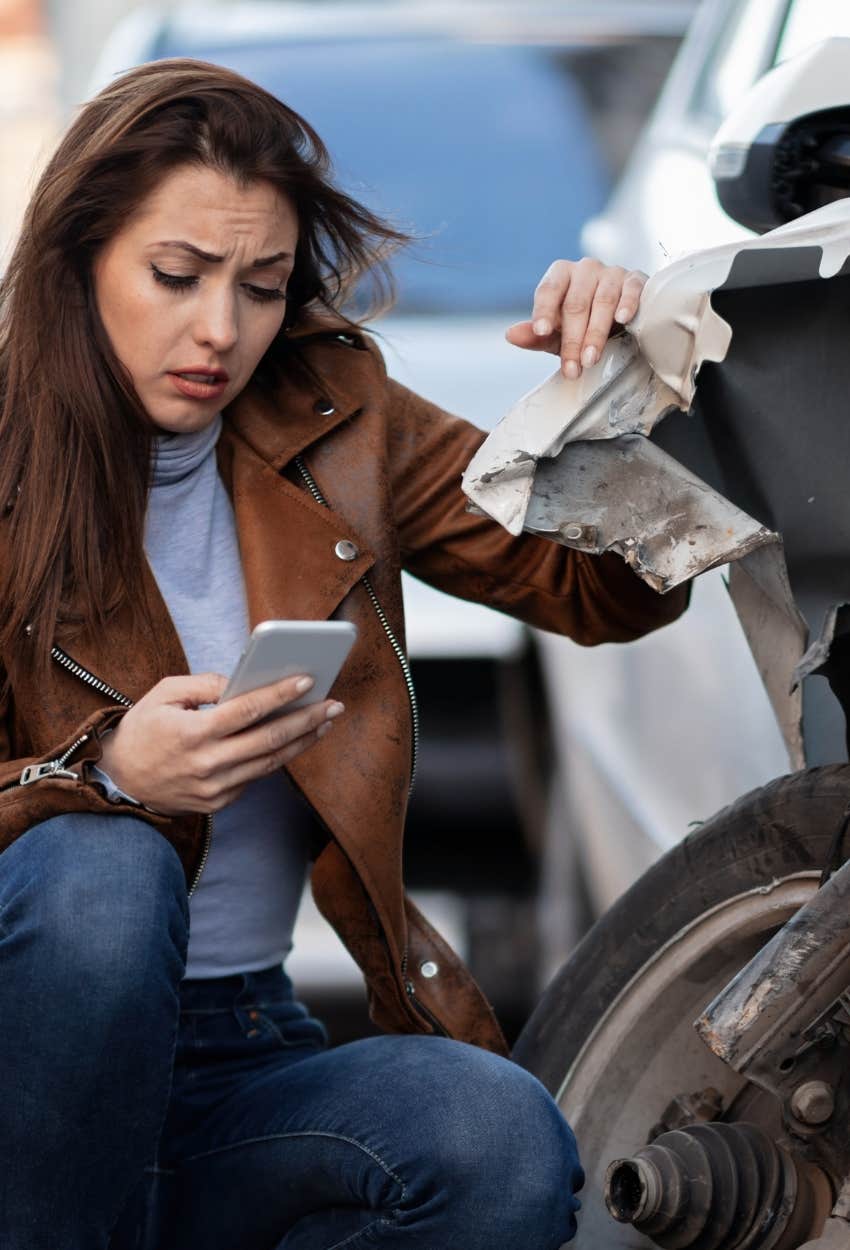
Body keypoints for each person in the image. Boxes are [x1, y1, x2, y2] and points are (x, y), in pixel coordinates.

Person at [0, 59, 687, 1250]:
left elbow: (601, 590)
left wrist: (616, 387)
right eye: (176, 276)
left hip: (239, 1053)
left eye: (260, 287)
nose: (220, 329)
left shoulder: (337, 413)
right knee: (103, 875)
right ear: (78, 261)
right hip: (27, 1066)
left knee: (497, 1141)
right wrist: (110, 777)